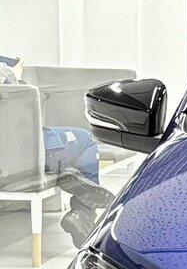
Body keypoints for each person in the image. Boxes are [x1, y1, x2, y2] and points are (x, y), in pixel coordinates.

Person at [0, 56, 113, 246]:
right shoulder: (3, 72)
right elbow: (17, 109)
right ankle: (82, 211)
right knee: (86, 139)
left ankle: (68, 175)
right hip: (26, 154)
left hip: (11, 159)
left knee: (64, 150)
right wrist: (16, 75)